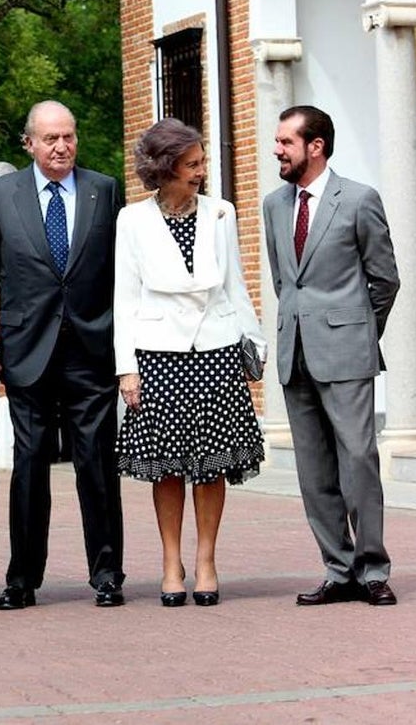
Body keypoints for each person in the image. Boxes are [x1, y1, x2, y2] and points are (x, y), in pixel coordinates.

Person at [0, 100, 126, 609]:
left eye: (69, 137)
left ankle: (106, 574)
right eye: (50, 139)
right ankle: (22, 579)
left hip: (91, 347)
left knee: (96, 464)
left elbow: (120, 274)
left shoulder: (104, 190)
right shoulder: (2, 194)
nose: (61, 147)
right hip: (26, 350)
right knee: (31, 465)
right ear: (30, 143)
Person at [114, 118, 266, 607]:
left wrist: (253, 347)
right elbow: (125, 298)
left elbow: (235, 286)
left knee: (213, 463)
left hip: (218, 349)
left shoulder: (221, 213)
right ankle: (170, 562)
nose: (202, 171)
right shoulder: (132, 220)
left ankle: (206, 561)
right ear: (165, 168)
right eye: (193, 164)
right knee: (167, 467)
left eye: (202, 162)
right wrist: (126, 367)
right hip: (159, 356)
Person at [263, 105, 400, 607]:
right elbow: (284, 281)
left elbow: (385, 279)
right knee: (313, 469)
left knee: (358, 461)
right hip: (293, 353)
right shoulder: (274, 205)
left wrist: (359, 332)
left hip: (346, 352)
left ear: (314, 146)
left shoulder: (360, 200)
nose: (277, 149)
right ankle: (338, 569)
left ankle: (372, 570)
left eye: (285, 142)